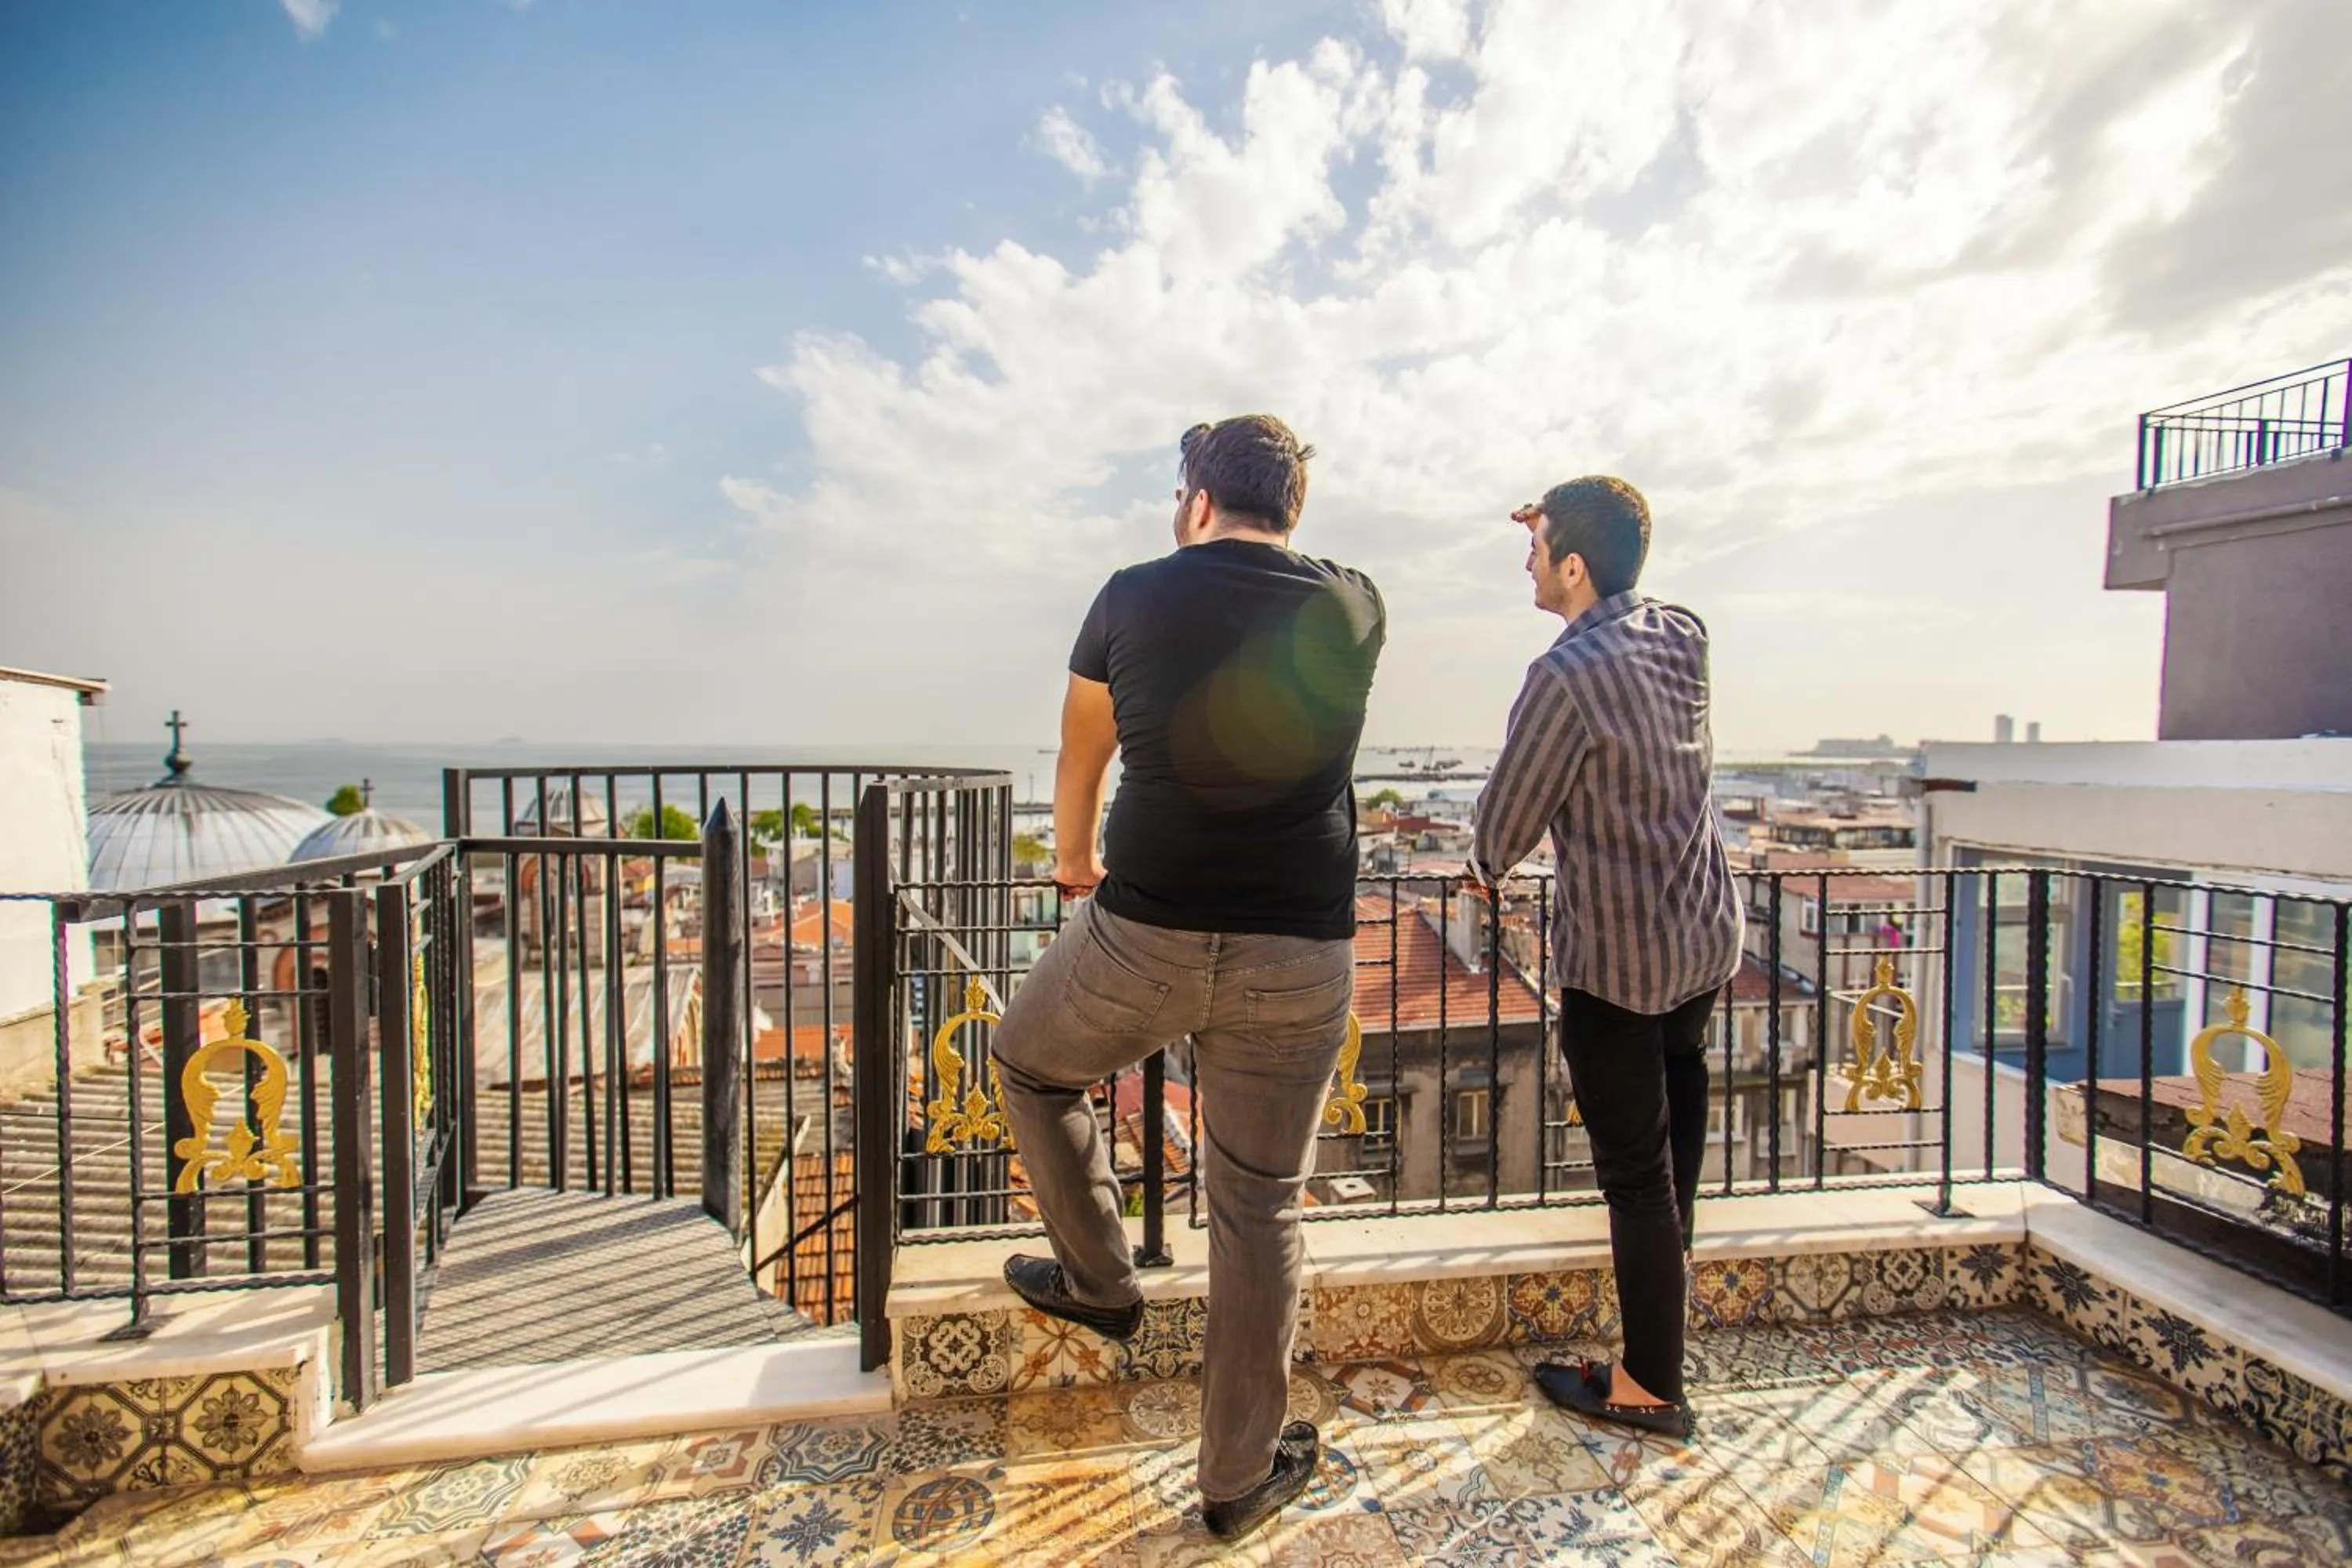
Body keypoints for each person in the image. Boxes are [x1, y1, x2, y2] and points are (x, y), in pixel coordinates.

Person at [989, 415, 1385, 1541]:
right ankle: (1232, 1482)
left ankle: (1103, 1283)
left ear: (1196, 500)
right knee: (1258, 1207)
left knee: (1026, 1064)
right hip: (1299, 949)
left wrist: (1072, 862)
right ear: (1294, 508)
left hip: (1144, 933)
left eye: (1180, 495)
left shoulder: (1129, 595)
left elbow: (1084, 747)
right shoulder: (1355, 601)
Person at [1469, 475, 1740, 1439]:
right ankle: (1658, 1342)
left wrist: (1478, 865)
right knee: (1675, 1164)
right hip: (1703, 937)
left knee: (1635, 1175)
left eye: (1538, 546)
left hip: (1621, 962)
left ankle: (1651, 1388)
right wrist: (1561, 508)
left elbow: (1502, 823)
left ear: (1572, 566)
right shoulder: (1685, 632)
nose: (1527, 559)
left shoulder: (1564, 677)